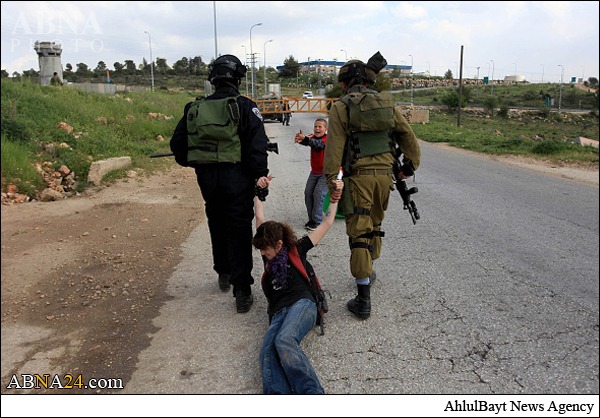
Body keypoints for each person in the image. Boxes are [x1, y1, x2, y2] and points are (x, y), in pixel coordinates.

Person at [169, 54, 271, 313]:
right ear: (237, 77)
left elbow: (178, 146)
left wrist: (199, 164)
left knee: (216, 221)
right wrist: (260, 177)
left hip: (208, 178)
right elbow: (257, 148)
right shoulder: (245, 106)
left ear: (213, 78)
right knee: (238, 228)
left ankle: (223, 273)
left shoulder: (195, 108)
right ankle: (242, 288)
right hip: (237, 177)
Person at [323, 51, 421, 320]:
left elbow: (334, 150)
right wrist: (407, 169)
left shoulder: (341, 107)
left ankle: (363, 299)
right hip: (384, 179)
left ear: (345, 84)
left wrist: (332, 181)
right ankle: (370, 269)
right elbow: (408, 139)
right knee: (375, 224)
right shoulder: (387, 104)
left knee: (359, 232)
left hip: (359, 179)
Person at [252, 175, 343, 394]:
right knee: (267, 353)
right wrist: (259, 190)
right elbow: (259, 215)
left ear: (279, 244)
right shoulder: (269, 256)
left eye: (265, 249)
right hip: (278, 312)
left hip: (302, 305)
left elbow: (327, 222)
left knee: (284, 340)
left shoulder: (297, 249)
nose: (262, 253)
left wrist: (335, 196)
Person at [294, 118, 328, 231]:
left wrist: (306, 139)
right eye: (315, 126)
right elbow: (307, 141)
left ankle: (317, 221)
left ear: (325, 129)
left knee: (318, 193)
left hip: (326, 173)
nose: (317, 129)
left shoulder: (327, 139)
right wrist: (300, 138)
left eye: (320, 127)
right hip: (314, 172)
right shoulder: (312, 137)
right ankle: (311, 219)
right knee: (308, 193)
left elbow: (318, 145)